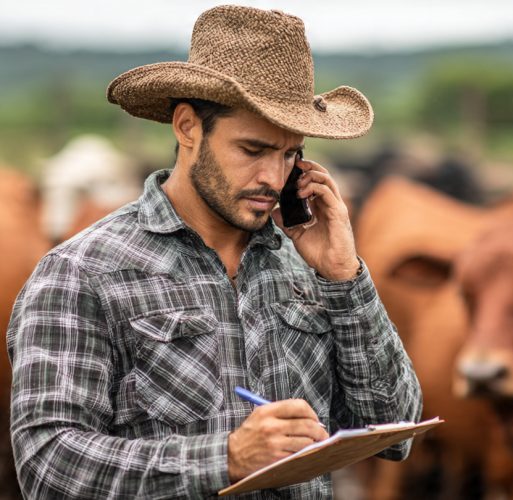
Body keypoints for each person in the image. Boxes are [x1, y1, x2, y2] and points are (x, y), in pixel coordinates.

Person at [8, 5, 422, 499]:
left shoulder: (313, 270)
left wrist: (344, 277)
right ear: (187, 127)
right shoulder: (81, 272)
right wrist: (225, 459)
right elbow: (47, 464)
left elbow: (395, 429)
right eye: (253, 150)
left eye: (290, 154)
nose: (274, 178)